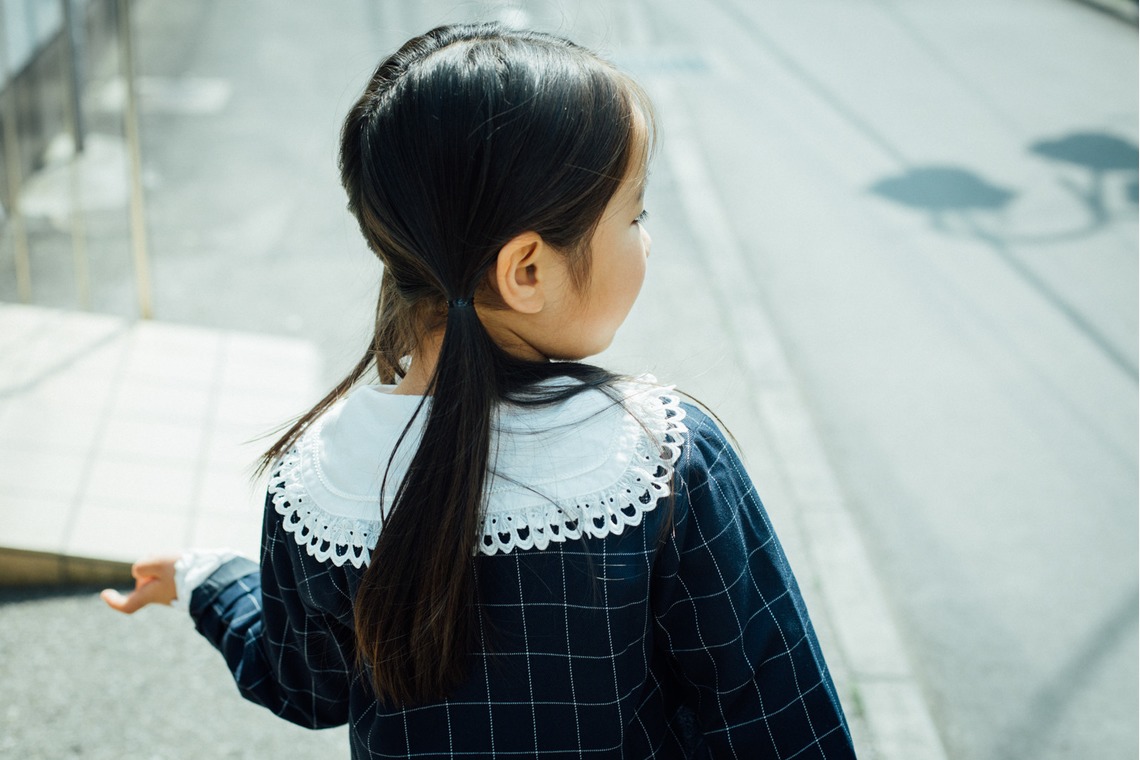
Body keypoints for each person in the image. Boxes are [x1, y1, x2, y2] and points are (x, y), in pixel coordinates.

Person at [102, 23, 857, 759]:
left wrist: (208, 579)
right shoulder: (659, 458)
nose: (647, 238)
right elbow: (776, 717)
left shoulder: (322, 484)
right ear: (526, 270)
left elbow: (307, 687)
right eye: (634, 215)